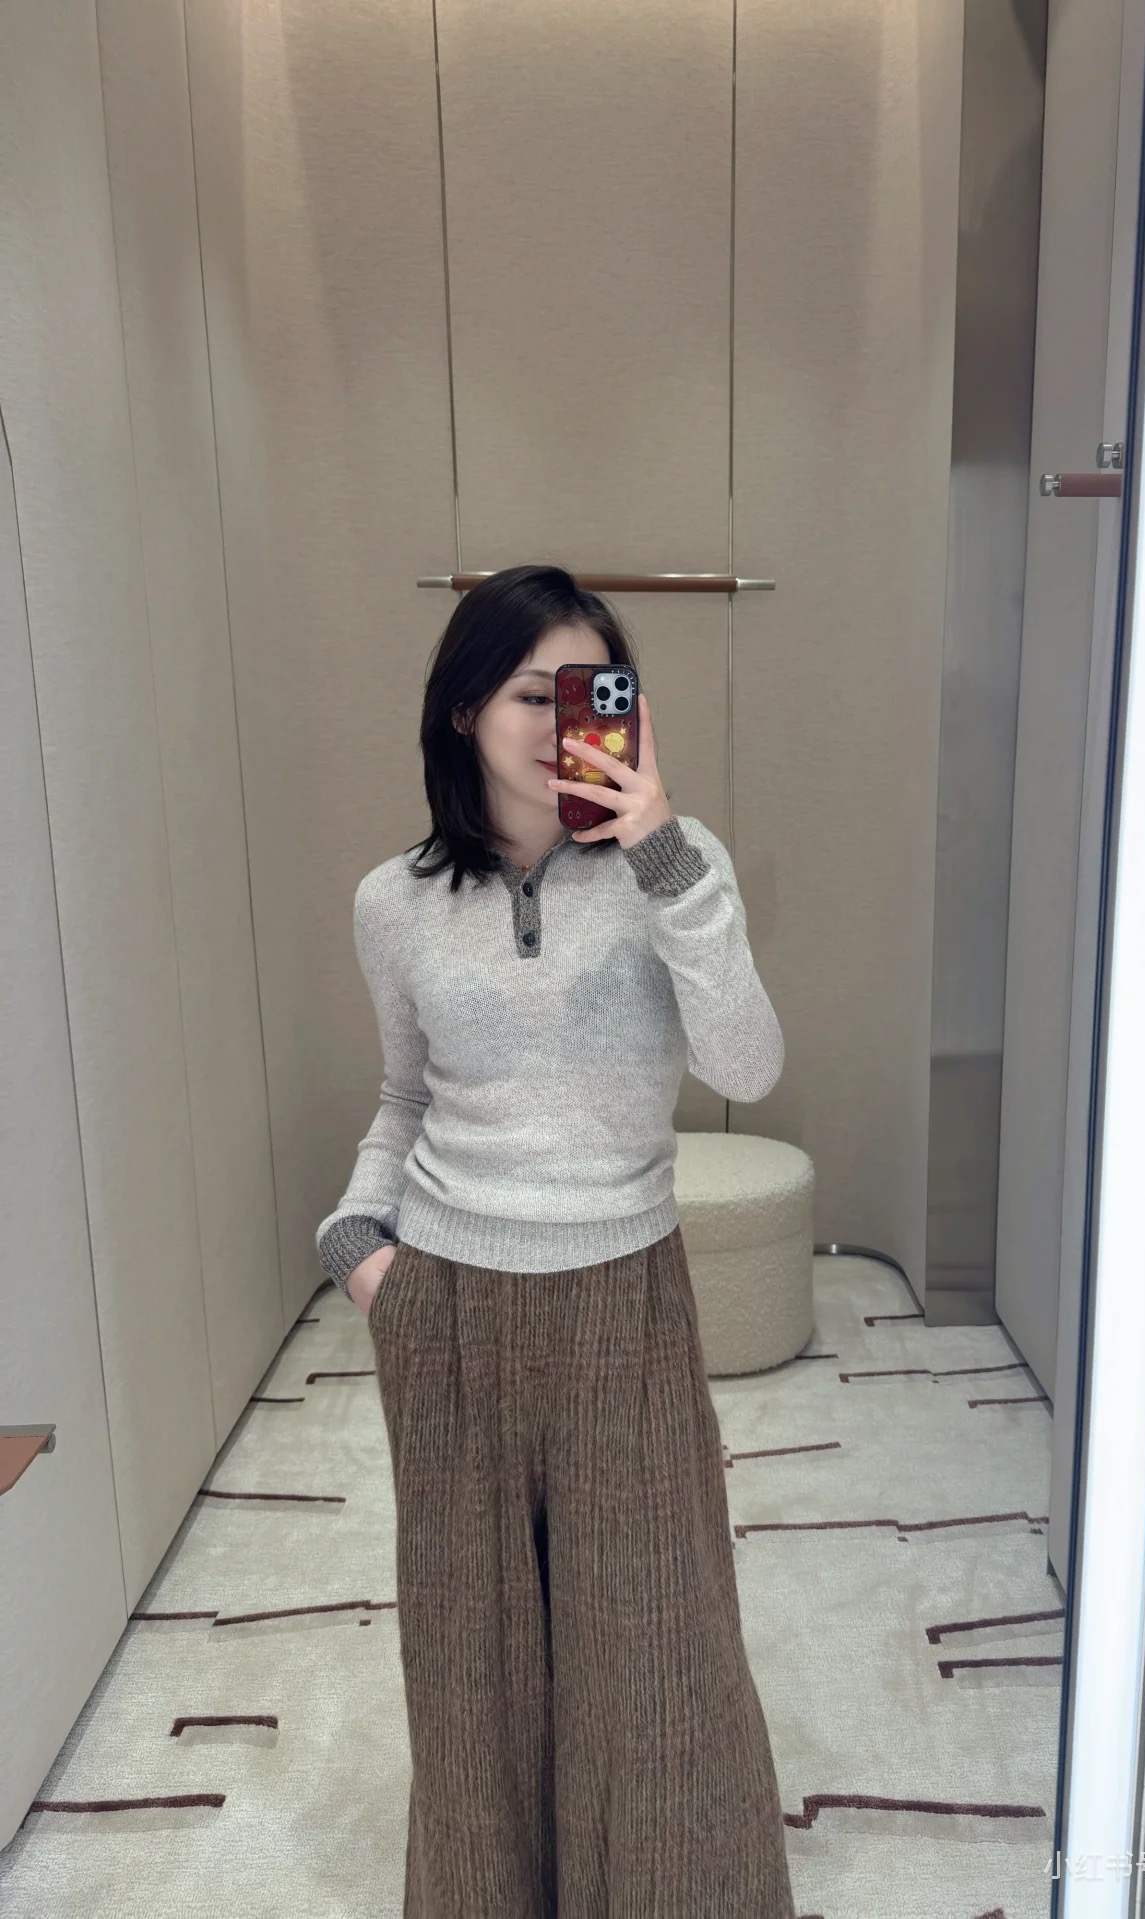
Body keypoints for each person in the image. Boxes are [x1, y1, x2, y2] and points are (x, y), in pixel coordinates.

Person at [315, 564, 797, 1917]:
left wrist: (665, 860)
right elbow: (406, 1097)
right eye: (533, 693)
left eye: (589, 693)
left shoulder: (676, 867)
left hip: (623, 1301)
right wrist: (356, 1240)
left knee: (655, 1653)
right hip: (449, 1308)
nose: (560, 722)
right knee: (469, 1662)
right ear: (464, 708)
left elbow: (749, 1068)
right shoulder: (393, 902)